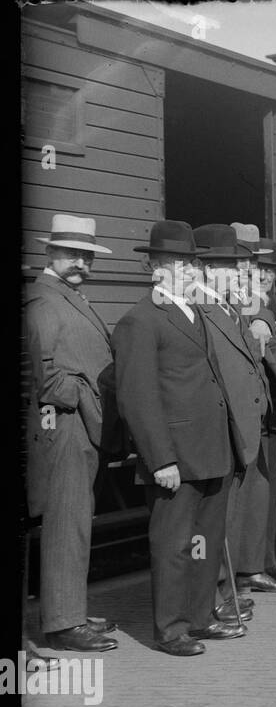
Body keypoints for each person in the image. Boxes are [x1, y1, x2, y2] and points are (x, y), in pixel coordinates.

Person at [112, 220, 244, 656]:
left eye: (190, 262)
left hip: (211, 451)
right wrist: (160, 459)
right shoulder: (140, 321)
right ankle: (170, 629)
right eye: (175, 263)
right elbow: (138, 397)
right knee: (173, 545)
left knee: (205, 540)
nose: (187, 270)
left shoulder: (193, 312)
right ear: (154, 268)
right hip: (176, 457)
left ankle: (200, 616)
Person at [23, 214, 119, 653]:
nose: (80, 261)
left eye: (86, 255)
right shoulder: (44, 300)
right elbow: (45, 377)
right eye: (71, 253)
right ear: (49, 253)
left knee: (79, 521)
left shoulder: (67, 295)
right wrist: (83, 395)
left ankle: (72, 612)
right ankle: (62, 625)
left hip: (80, 428)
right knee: (66, 523)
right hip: (65, 429)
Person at [190, 224, 276, 624]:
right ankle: (213, 599)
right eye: (232, 266)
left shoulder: (227, 307)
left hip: (242, 426)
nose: (243, 274)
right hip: (221, 429)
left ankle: (225, 593)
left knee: (227, 517)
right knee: (216, 522)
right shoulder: (202, 310)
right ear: (207, 270)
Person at [243, 232, 276, 586]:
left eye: (269, 270)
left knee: (269, 489)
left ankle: (267, 559)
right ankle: (253, 566)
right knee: (254, 491)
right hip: (257, 411)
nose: (264, 276)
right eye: (259, 268)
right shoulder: (250, 308)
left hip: (275, 413)